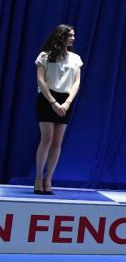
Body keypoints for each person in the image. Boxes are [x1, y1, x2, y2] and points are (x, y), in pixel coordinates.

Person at [33, 24, 83, 195]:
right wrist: (53, 102)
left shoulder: (75, 58)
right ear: (61, 36)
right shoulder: (44, 56)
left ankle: (48, 178)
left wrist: (67, 103)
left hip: (65, 100)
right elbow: (41, 80)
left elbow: (76, 82)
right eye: (70, 35)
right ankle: (38, 177)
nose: (73, 38)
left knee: (57, 142)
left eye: (73, 35)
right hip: (47, 98)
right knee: (46, 139)